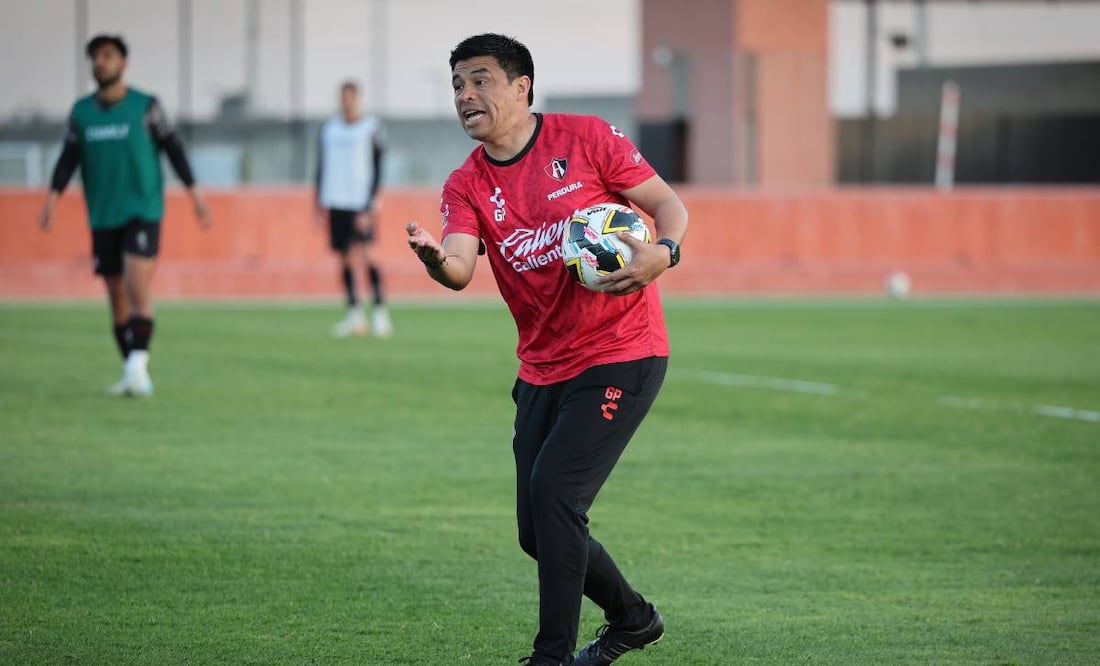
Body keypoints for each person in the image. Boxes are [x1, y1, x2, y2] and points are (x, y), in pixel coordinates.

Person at [406, 34, 688, 666]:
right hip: (542, 367)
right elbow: (458, 266)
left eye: (479, 80)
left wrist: (661, 254)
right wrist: (433, 259)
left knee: (557, 495)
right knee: (538, 531)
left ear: (521, 88)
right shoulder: (466, 184)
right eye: (457, 85)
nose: (465, 95)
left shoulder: (586, 138)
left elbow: (667, 205)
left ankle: (550, 658)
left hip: (622, 349)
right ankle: (633, 619)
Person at [38, 34, 210, 397]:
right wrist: (52, 200)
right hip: (102, 214)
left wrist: (195, 195)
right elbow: (67, 160)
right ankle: (130, 368)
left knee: (137, 287)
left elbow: (175, 150)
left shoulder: (146, 107)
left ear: (123, 62)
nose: (101, 63)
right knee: (116, 295)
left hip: (142, 210)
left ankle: (138, 367)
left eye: (108, 56)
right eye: (95, 57)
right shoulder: (81, 113)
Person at [314, 80, 392, 338]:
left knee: (370, 255)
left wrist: (370, 204)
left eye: (350, 97)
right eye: (342, 97)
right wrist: (318, 202)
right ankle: (355, 313)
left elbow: (378, 166)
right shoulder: (329, 130)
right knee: (346, 258)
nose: (346, 102)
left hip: (361, 203)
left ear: (357, 99)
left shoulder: (371, 128)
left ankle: (380, 312)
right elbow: (321, 167)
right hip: (336, 202)